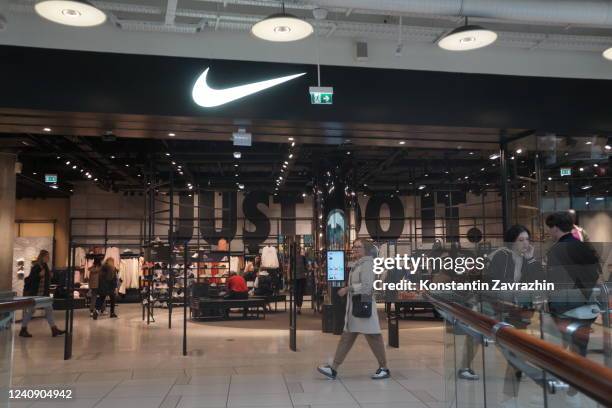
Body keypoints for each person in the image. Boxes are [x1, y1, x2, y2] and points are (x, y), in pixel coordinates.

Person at [318, 239, 390, 380]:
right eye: (354, 246)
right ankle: (333, 368)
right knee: (347, 338)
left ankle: (384, 368)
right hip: (356, 306)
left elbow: (367, 287)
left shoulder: (367, 264)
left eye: (359, 247)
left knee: (374, 337)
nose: (355, 249)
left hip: (364, 304)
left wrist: (348, 289)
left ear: (365, 249)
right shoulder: (358, 264)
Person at [19, 250, 66, 338]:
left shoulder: (45, 266)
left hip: (43, 294)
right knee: (31, 311)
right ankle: (23, 329)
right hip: (36, 294)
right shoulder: (36, 267)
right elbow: (32, 279)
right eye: (47, 256)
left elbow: (47, 280)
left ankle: (54, 329)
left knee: (48, 310)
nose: (48, 258)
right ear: (42, 257)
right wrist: (39, 275)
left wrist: (49, 276)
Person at [294, 249, 308, 314]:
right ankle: (298, 307)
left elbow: (289, 267)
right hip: (301, 277)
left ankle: (298, 307)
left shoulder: (295, 258)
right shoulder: (303, 258)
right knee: (299, 292)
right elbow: (306, 267)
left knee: (297, 292)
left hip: (298, 277)